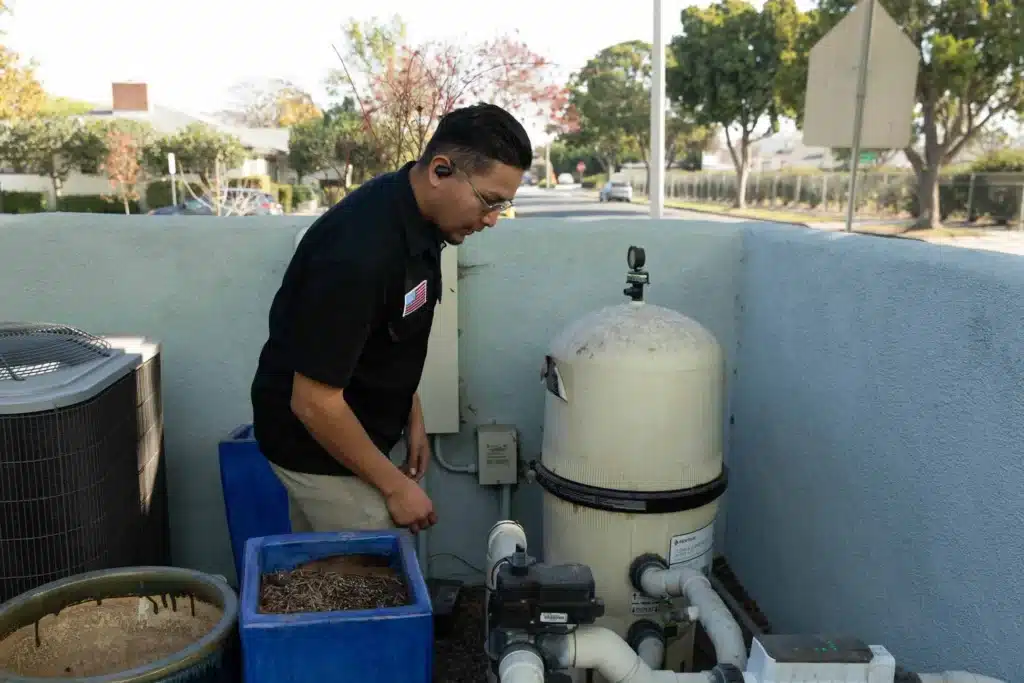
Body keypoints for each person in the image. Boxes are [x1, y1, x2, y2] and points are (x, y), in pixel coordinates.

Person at [250, 103, 532, 534]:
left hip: (353, 431)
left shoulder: (419, 221)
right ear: (441, 170)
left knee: (326, 579)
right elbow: (313, 401)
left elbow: (391, 336)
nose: (493, 219)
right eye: (489, 202)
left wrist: (412, 415)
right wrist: (394, 488)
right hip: (317, 447)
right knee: (373, 581)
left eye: (503, 205)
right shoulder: (358, 252)